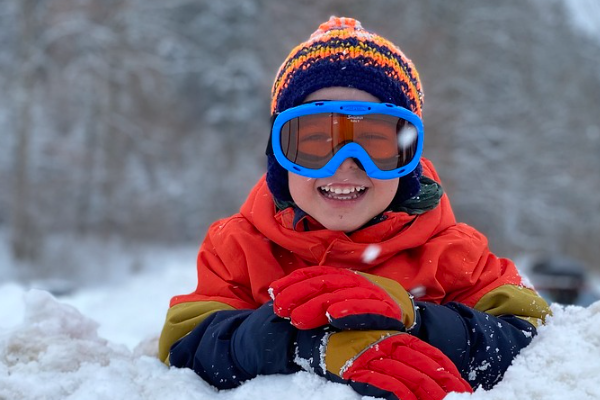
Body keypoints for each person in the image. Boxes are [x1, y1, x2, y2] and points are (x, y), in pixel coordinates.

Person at [158, 16, 550, 400]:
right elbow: (187, 342)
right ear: (281, 157)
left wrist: (412, 318)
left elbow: (533, 334)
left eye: (375, 143)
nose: (346, 164)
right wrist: (302, 341)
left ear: (406, 159)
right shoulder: (240, 246)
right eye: (314, 141)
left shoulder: (452, 251)